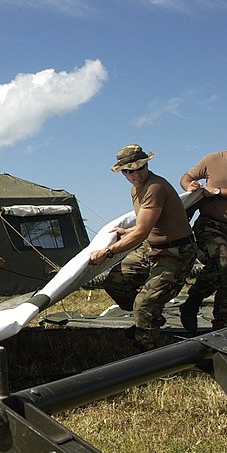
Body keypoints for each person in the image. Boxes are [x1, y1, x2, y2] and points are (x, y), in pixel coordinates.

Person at [89, 144, 196, 351]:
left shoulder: (155, 187)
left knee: (144, 302)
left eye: (140, 168)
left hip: (175, 253)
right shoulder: (136, 189)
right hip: (151, 248)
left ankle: (146, 355)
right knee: (115, 284)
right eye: (129, 171)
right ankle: (148, 320)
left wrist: (108, 252)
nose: (135, 174)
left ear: (147, 164)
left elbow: (141, 232)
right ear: (122, 172)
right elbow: (146, 225)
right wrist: (127, 232)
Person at [179, 150, 227, 333]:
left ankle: (223, 328)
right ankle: (193, 301)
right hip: (212, 225)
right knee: (222, 264)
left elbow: (215, 191)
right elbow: (186, 177)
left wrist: (216, 192)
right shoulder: (215, 159)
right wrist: (189, 185)